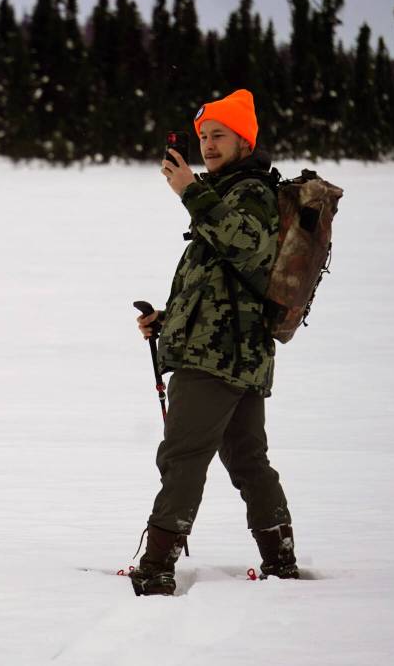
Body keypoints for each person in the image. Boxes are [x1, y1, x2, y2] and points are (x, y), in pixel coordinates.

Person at [129, 89, 299, 597]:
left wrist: (189, 191)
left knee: (183, 456)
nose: (207, 145)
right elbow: (219, 282)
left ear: (244, 138)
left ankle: (157, 566)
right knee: (248, 460)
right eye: (203, 136)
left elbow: (246, 246)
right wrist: (167, 320)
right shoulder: (229, 191)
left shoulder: (249, 192)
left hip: (218, 358)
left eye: (219, 135)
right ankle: (281, 561)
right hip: (237, 354)